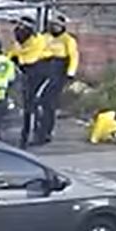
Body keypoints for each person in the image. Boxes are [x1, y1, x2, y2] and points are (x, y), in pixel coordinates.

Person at [8, 18, 53, 148]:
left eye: (22, 28)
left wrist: (18, 58)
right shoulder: (21, 43)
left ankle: (38, 135)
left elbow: (30, 59)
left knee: (36, 105)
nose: (18, 31)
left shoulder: (38, 41)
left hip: (41, 74)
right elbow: (12, 55)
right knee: (28, 106)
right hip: (29, 75)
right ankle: (27, 135)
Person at [40, 13, 80, 144]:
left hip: (57, 72)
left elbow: (73, 57)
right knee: (38, 101)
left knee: (49, 103)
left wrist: (70, 73)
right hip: (42, 70)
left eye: (57, 26)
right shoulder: (45, 37)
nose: (54, 28)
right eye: (52, 25)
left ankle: (47, 131)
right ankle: (38, 128)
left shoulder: (68, 40)